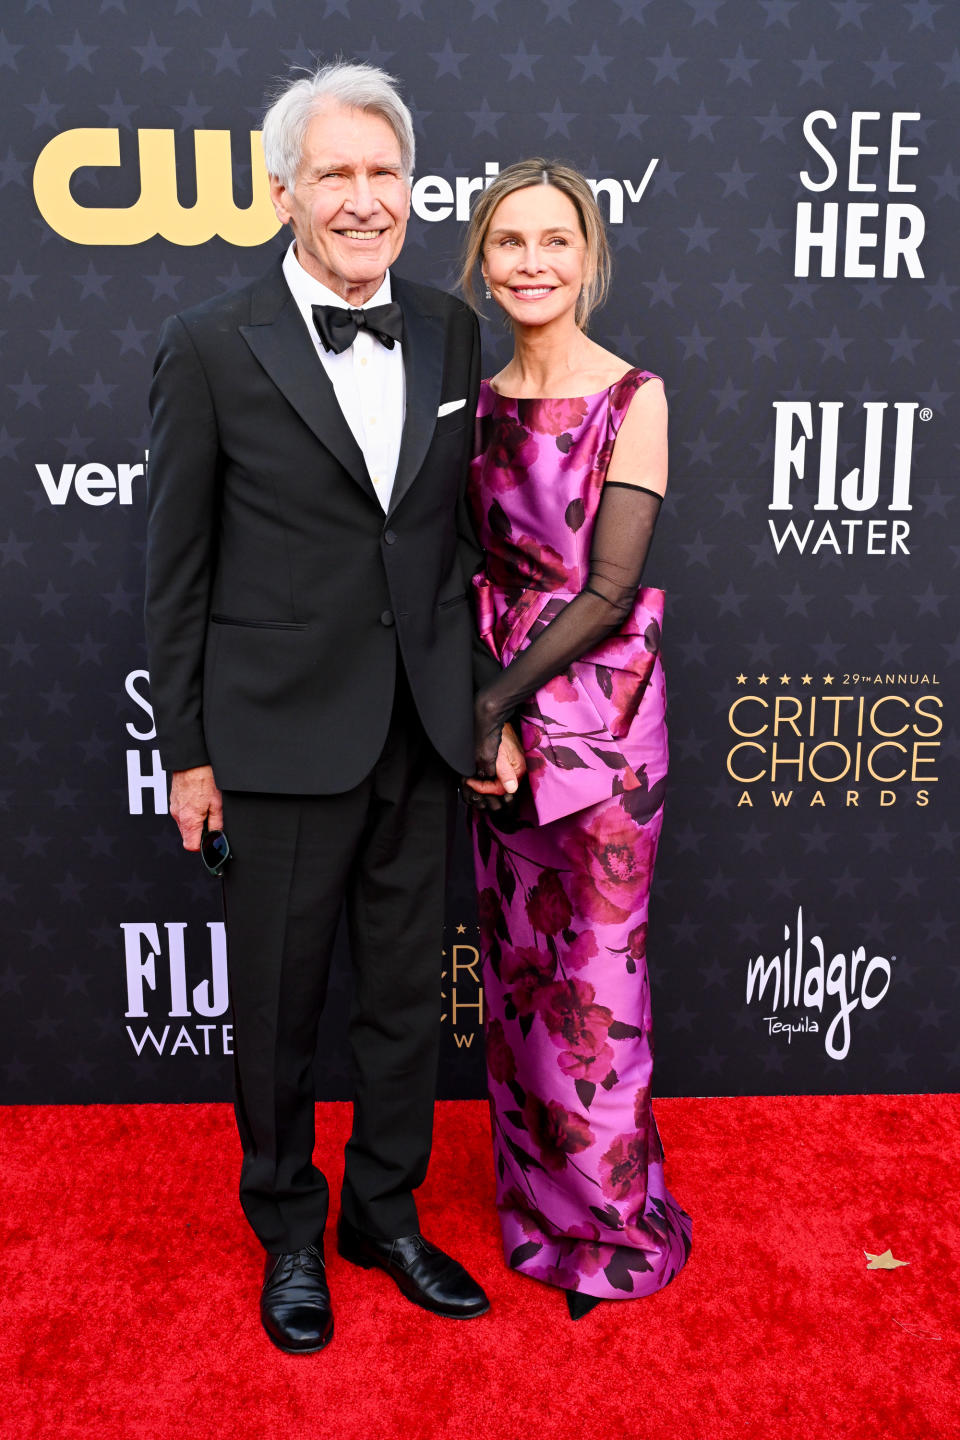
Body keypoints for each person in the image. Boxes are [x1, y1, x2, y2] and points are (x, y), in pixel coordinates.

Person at [144, 61, 523, 1354]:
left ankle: (385, 1212)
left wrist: (479, 710)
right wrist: (187, 756)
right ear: (283, 188)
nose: (363, 200)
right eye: (336, 174)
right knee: (280, 1006)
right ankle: (288, 1229)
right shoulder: (208, 343)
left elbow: (459, 548)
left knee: (407, 1000)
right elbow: (175, 569)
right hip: (274, 736)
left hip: (421, 730)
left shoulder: (454, 329)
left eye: (383, 174)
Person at [460, 159, 692, 1320]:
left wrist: (495, 705)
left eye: (555, 242)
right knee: (519, 976)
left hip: (599, 727)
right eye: (511, 243)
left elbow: (606, 591)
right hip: (494, 720)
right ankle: (537, 1206)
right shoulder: (477, 395)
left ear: (588, 256)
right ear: (483, 260)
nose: (533, 263)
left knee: (596, 982)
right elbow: (461, 569)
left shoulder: (634, 394)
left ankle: (607, 1228)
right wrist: (481, 718)